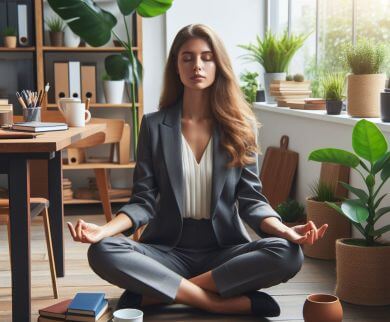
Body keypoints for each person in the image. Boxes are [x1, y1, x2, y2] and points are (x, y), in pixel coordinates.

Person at [67, 24, 328, 317]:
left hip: (224, 250)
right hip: (167, 250)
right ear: (176, 66)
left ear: (219, 64)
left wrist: (285, 231)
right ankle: (216, 301)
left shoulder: (241, 128)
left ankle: (161, 293)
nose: (198, 66)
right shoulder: (154, 126)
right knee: (102, 251)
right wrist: (102, 230)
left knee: (289, 253)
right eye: (187, 58)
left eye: (207, 57)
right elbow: (143, 201)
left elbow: (252, 201)